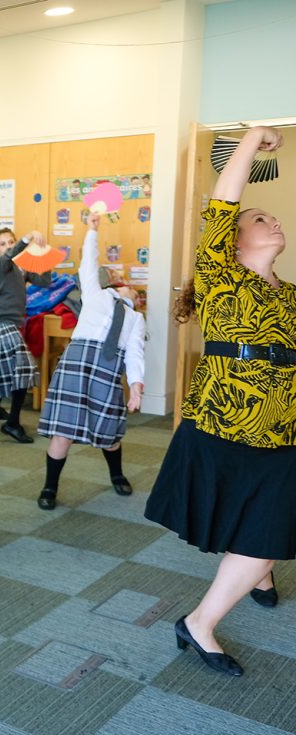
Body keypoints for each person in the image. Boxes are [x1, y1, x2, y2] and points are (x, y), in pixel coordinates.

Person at [146, 126, 292, 677]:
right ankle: (211, 614)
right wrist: (254, 137)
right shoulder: (219, 274)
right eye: (260, 219)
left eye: (273, 218)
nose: (273, 221)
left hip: (282, 432)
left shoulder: (291, 296)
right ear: (232, 240)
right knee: (259, 530)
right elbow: (223, 201)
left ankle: (233, 591)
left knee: (269, 528)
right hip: (223, 423)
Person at [36, 213, 145, 510]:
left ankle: (117, 473)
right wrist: (92, 230)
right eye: (128, 286)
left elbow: (135, 353)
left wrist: (135, 387)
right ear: (114, 286)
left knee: (109, 433)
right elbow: (88, 262)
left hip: (108, 371)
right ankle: (49, 487)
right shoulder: (95, 294)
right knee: (63, 433)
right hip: (76, 364)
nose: (131, 290)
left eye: (136, 292)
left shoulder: (136, 319)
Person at [0, 227, 52, 443]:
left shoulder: (21, 266)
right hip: (2, 321)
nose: (8, 246)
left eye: (10, 241)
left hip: (14, 322)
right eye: (3, 244)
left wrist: (42, 255)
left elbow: (44, 281)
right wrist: (26, 238)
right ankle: (12, 423)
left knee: (4, 369)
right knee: (24, 368)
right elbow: (8, 258)